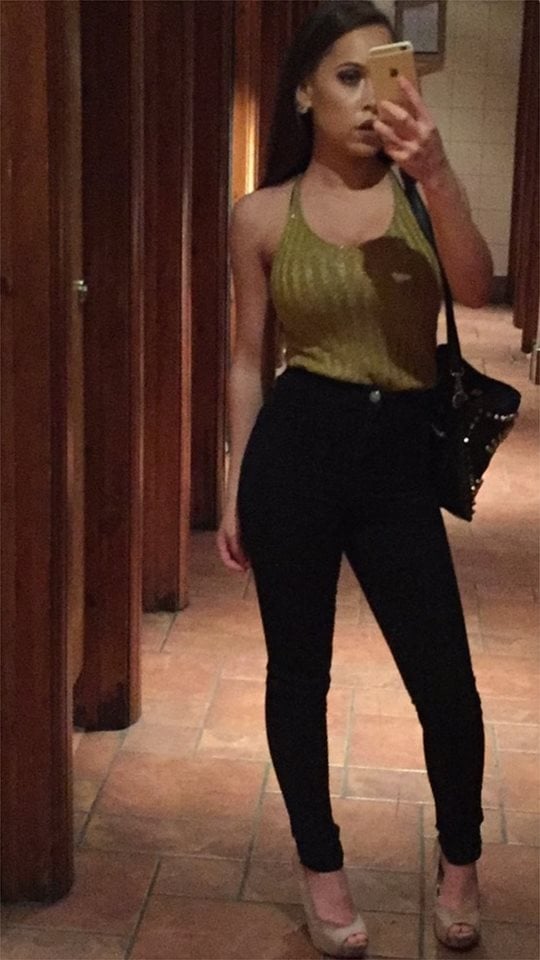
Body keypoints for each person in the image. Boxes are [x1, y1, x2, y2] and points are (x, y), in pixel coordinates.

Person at [217, 1, 492, 956]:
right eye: (347, 76)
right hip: (296, 450)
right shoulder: (261, 214)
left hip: (397, 463)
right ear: (303, 92)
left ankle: (462, 861)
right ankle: (321, 871)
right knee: (298, 677)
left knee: (445, 681)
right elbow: (248, 361)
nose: (373, 98)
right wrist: (235, 484)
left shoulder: (420, 193)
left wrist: (439, 175)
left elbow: (475, 288)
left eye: (388, 73)